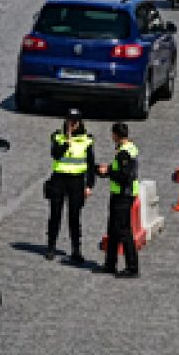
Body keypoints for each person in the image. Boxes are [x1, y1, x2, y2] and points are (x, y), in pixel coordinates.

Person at [46, 108, 96, 263]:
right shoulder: (58, 136)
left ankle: (76, 249)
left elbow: (90, 163)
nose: (72, 124)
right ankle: (51, 247)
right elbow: (56, 154)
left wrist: (89, 185)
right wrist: (67, 140)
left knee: (74, 216)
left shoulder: (87, 140)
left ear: (79, 123)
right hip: (59, 179)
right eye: (69, 121)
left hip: (76, 181)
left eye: (75, 122)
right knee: (55, 215)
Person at [96, 122, 139, 279]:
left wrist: (108, 171)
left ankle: (132, 267)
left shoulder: (124, 153)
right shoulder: (130, 148)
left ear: (115, 135)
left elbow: (124, 176)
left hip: (123, 195)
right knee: (113, 230)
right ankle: (110, 264)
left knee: (123, 231)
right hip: (123, 194)